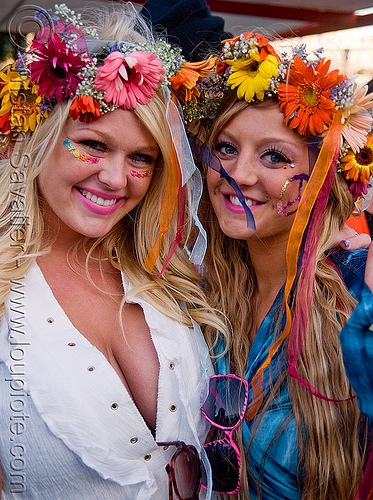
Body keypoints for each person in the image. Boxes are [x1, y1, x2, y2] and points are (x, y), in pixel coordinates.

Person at [0, 3, 225, 498]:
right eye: (93, 145)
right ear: (37, 140)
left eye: (141, 157)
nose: (116, 179)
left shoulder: (174, 271)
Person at [183, 33, 373, 499]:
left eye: (274, 156)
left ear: (325, 173)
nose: (239, 175)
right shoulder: (202, 291)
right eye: (225, 148)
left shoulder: (357, 296)